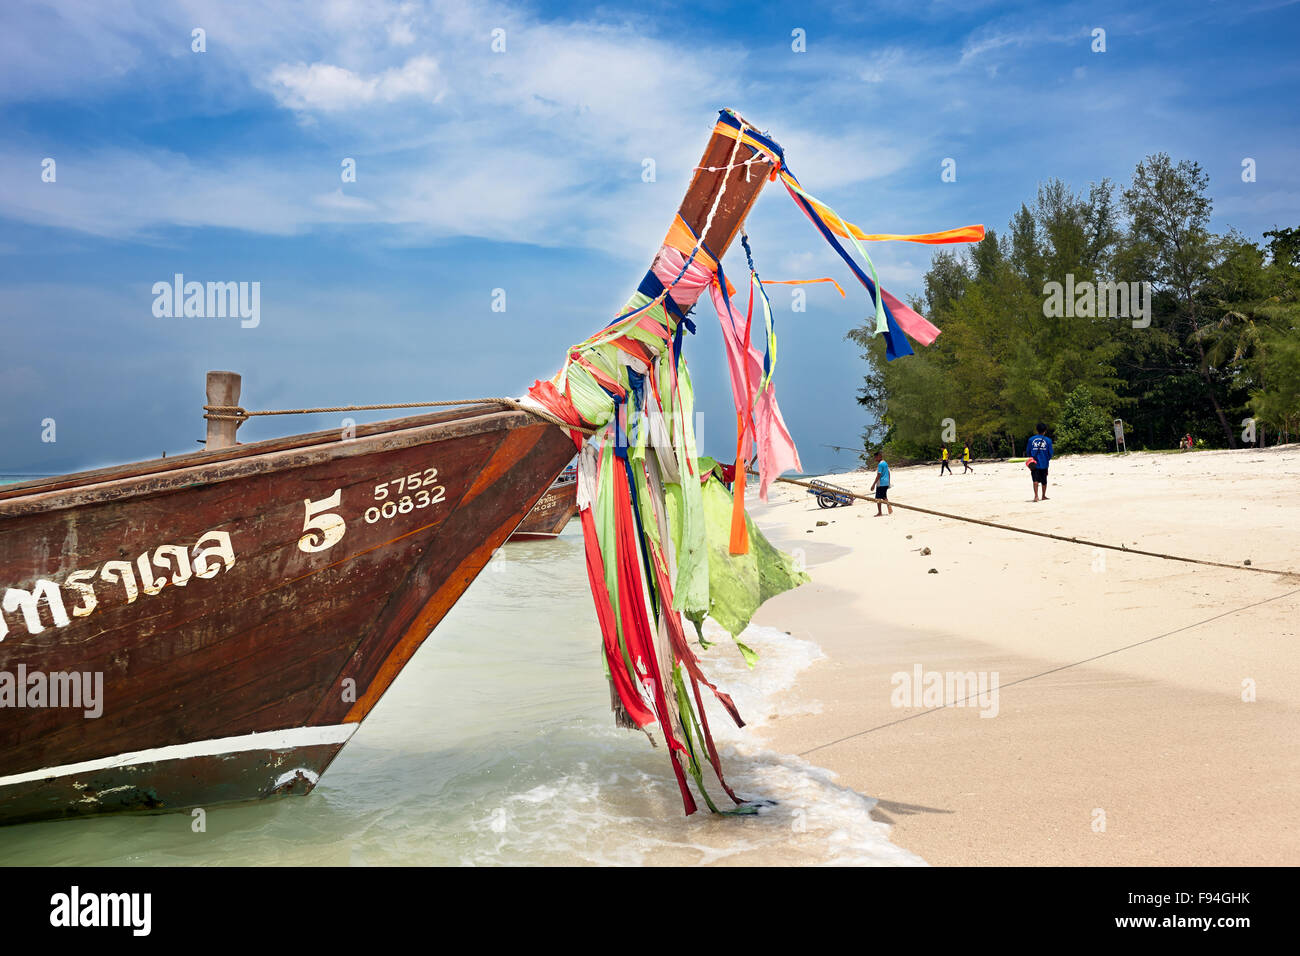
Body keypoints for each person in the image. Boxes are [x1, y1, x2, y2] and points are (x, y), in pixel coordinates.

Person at [1027, 423, 1053, 502]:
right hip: (1044, 463)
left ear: (1037, 430)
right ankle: (1043, 496)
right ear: (1045, 430)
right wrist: (1046, 459)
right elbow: (1050, 453)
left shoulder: (1031, 439)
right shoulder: (1048, 440)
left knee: (1035, 480)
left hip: (1034, 463)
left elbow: (1028, 452)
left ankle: (1036, 496)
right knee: (1044, 480)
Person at [871, 451, 893, 516]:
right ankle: (888, 507)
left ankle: (880, 512)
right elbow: (888, 472)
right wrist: (888, 481)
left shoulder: (880, 464)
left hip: (881, 483)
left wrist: (873, 484)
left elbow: (879, 475)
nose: (875, 459)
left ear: (879, 456)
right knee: (883, 496)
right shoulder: (885, 463)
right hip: (886, 482)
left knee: (878, 498)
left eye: (875, 457)